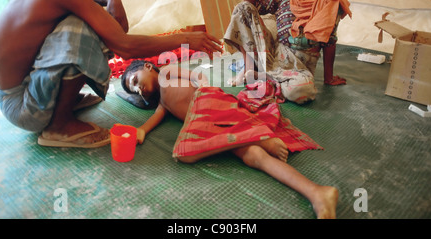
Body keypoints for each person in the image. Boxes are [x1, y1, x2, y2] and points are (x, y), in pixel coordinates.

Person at [0, 0, 222, 148]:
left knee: (93, 19)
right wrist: (185, 39)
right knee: (82, 27)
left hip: (18, 96)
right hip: (23, 107)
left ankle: (60, 103)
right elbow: (124, 45)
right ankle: (59, 126)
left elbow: (85, 1)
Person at [121, 60, 339, 219]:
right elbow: (156, 117)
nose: (139, 89)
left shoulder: (166, 73)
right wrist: (141, 130)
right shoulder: (162, 103)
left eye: (135, 81)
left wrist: (204, 85)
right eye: (135, 91)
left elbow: (196, 77)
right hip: (209, 125)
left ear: (148, 67)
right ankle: (317, 193)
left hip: (209, 101)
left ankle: (261, 138)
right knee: (251, 156)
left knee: (187, 152)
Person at [224, 0, 352, 104]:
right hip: (273, 53)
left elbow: (330, 42)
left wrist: (329, 78)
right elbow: (251, 8)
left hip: (299, 68)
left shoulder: (329, 2)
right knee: (242, 8)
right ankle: (250, 68)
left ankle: (261, 76)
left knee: (302, 91)